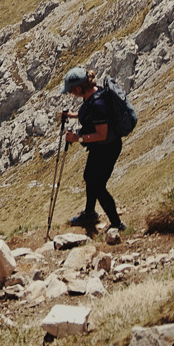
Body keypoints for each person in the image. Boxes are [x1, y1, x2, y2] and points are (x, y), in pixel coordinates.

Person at [59, 68, 125, 234]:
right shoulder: (92, 96)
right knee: (89, 176)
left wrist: (78, 139)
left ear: (79, 88)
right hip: (100, 148)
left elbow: (101, 134)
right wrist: (72, 115)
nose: (71, 94)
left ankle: (117, 223)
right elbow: (87, 114)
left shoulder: (97, 104)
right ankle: (89, 213)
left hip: (107, 148)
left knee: (98, 186)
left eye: (72, 90)